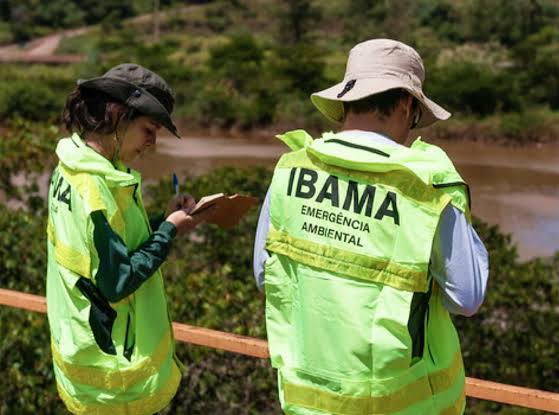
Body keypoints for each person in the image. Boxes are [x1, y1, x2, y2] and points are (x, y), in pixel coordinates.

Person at [253, 39, 489, 414]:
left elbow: (267, 276)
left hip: (308, 402)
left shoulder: (292, 170)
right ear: (406, 104)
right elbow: (467, 296)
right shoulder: (427, 183)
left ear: (346, 102)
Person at [46, 63, 214, 414]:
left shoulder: (72, 169)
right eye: (149, 129)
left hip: (86, 363)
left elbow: (108, 246)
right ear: (117, 116)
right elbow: (118, 279)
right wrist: (169, 232)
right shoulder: (96, 189)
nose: (153, 143)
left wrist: (164, 220)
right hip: (113, 382)